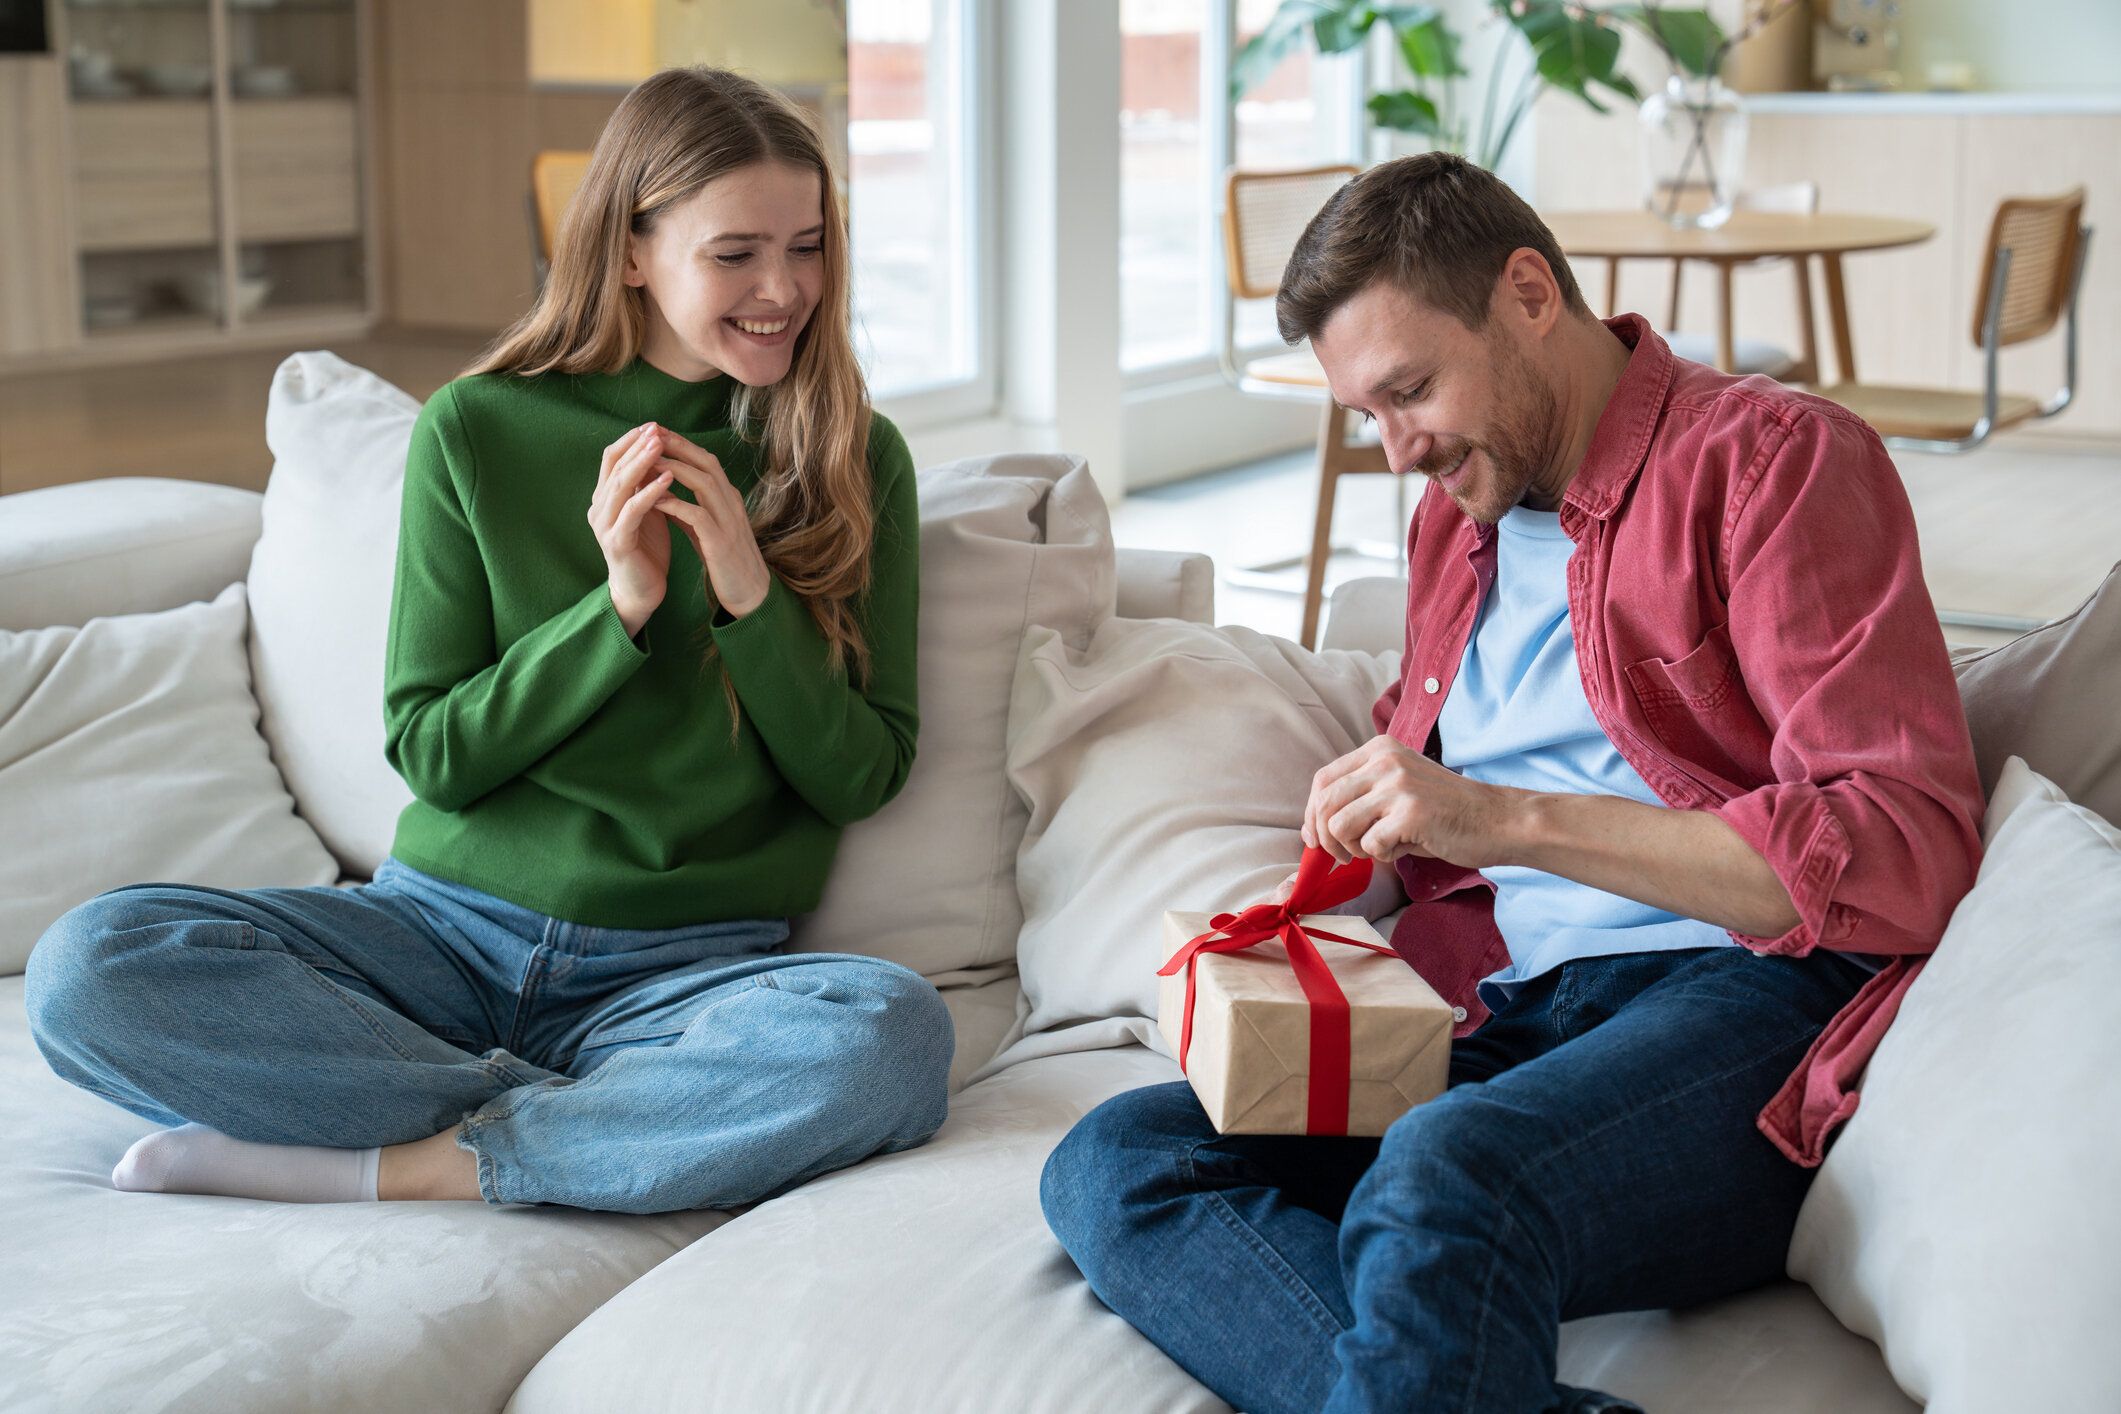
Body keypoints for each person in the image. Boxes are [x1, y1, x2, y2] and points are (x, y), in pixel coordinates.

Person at [1039, 152, 1984, 1413]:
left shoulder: (1771, 463)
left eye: (1411, 390)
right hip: (1508, 1013)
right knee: (1117, 1160)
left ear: (1530, 292)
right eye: (1366, 415)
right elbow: (1438, 767)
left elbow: (1905, 844)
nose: (1394, 452)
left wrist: (1502, 818)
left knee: (1445, 1172)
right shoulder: (1457, 517)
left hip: (1743, 1006)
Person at [24, 67, 952, 1214]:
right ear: (628, 250)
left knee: (891, 1036)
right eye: (736, 254)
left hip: (687, 973)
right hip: (433, 936)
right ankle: (610, 1124)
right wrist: (614, 608)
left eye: (808, 247)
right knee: (88, 967)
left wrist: (750, 597)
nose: (784, 289)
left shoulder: (858, 459)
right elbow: (433, 751)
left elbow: (861, 774)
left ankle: (418, 1161)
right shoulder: (478, 427)